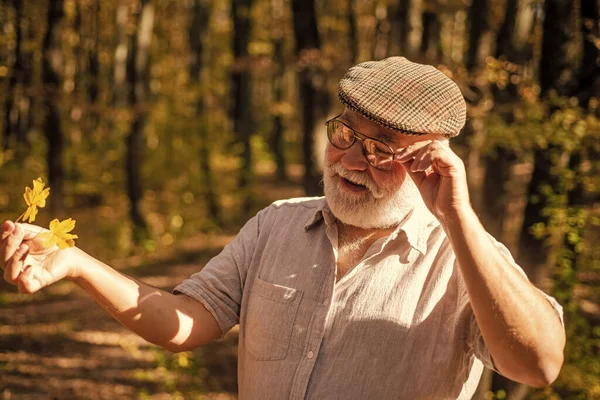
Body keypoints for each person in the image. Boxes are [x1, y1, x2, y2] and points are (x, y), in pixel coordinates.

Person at [1, 57, 565, 399]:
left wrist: (459, 219)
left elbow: (537, 366)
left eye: (380, 151)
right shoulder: (276, 226)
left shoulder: (464, 256)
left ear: (429, 160)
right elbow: (187, 323)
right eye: (344, 135)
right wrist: (75, 262)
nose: (348, 161)